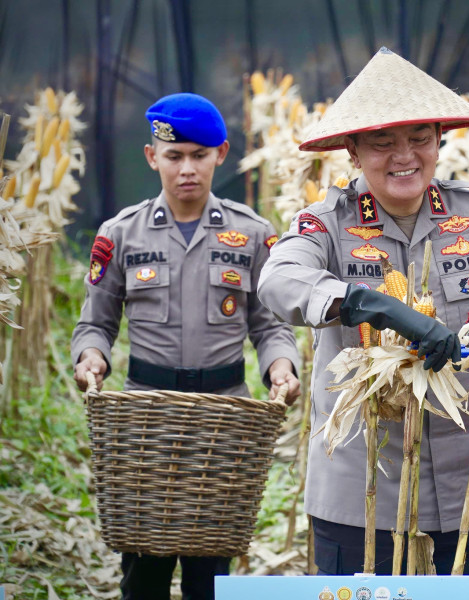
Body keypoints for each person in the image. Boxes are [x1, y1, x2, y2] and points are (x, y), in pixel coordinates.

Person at [258, 47, 469, 575]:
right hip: (363, 492)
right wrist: (371, 305)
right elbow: (278, 280)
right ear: (353, 152)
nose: (404, 156)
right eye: (382, 143)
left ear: (440, 142)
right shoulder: (325, 224)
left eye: (419, 139)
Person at [71, 92, 302, 600]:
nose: (187, 169)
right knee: (144, 567)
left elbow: (270, 325)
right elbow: (95, 323)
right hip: (144, 422)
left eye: (199, 155)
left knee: (211, 570)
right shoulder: (120, 234)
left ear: (221, 154)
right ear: (153, 157)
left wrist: (281, 368)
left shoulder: (252, 234)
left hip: (224, 420)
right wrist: (91, 359)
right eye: (174, 156)